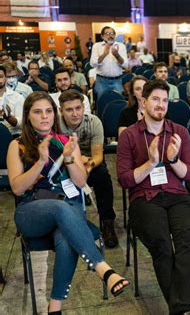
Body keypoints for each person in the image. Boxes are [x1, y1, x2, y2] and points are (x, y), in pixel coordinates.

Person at [7, 91, 129, 313]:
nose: (44, 116)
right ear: (28, 115)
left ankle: (55, 307)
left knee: (65, 235)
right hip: (32, 212)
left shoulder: (63, 141)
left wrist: (71, 157)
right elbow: (17, 188)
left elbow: (81, 181)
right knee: (62, 207)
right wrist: (41, 161)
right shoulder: (18, 145)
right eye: (37, 112)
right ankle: (103, 268)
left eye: (48, 111)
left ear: (54, 114)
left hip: (67, 211)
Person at [117, 79, 190, 314]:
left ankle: (180, 309)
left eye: (164, 100)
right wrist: (151, 163)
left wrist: (173, 160)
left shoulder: (179, 132)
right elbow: (124, 179)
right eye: (155, 99)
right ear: (143, 102)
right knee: (162, 243)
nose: (161, 104)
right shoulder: (129, 136)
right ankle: (186, 308)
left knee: (185, 242)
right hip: (144, 199)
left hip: (177, 195)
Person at [58, 90, 118, 248]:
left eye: (78, 108)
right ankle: (67, 222)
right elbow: (57, 156)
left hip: (90, 163)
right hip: (65, 163)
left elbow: (98, 155)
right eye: (69, 110)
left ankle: (107, 223)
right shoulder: (55, 125)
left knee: (103, 177)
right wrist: (76, 161)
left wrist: (87, 165)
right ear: (61, 110)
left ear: (83, 108)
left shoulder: (94, 122)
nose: (75, 113)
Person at [90, 26, 128, 98]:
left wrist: (117, 55)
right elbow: (92, 64)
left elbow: (125, 64)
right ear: (102, 36)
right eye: (107, 33)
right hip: (101, 81)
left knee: (118, 102)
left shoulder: (121, 46)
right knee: (102, 102)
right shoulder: (96, 46)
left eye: (112, 33)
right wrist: (104, 54)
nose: (110, 35)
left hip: (117, 80)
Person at [0, 65, 25, 137]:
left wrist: (9, 117)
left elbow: (21, 124)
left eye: (1, 76)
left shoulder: (17, 97)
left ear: (5, 78)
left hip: (12, 135)